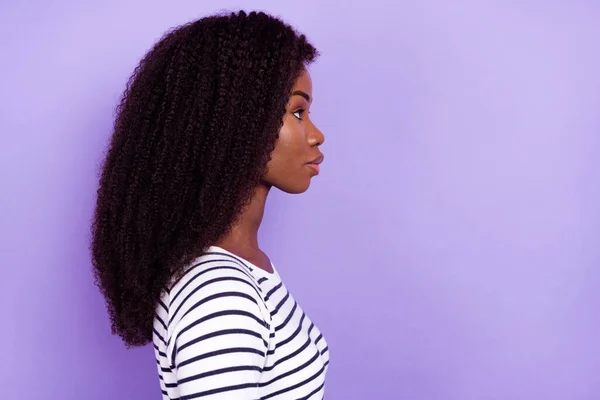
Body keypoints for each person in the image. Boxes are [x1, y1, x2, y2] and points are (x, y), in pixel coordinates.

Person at [90, 10, 329, 400]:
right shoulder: (218, 293)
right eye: (297, 112)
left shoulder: (248, 263)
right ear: (238, 121)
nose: (316, 135)